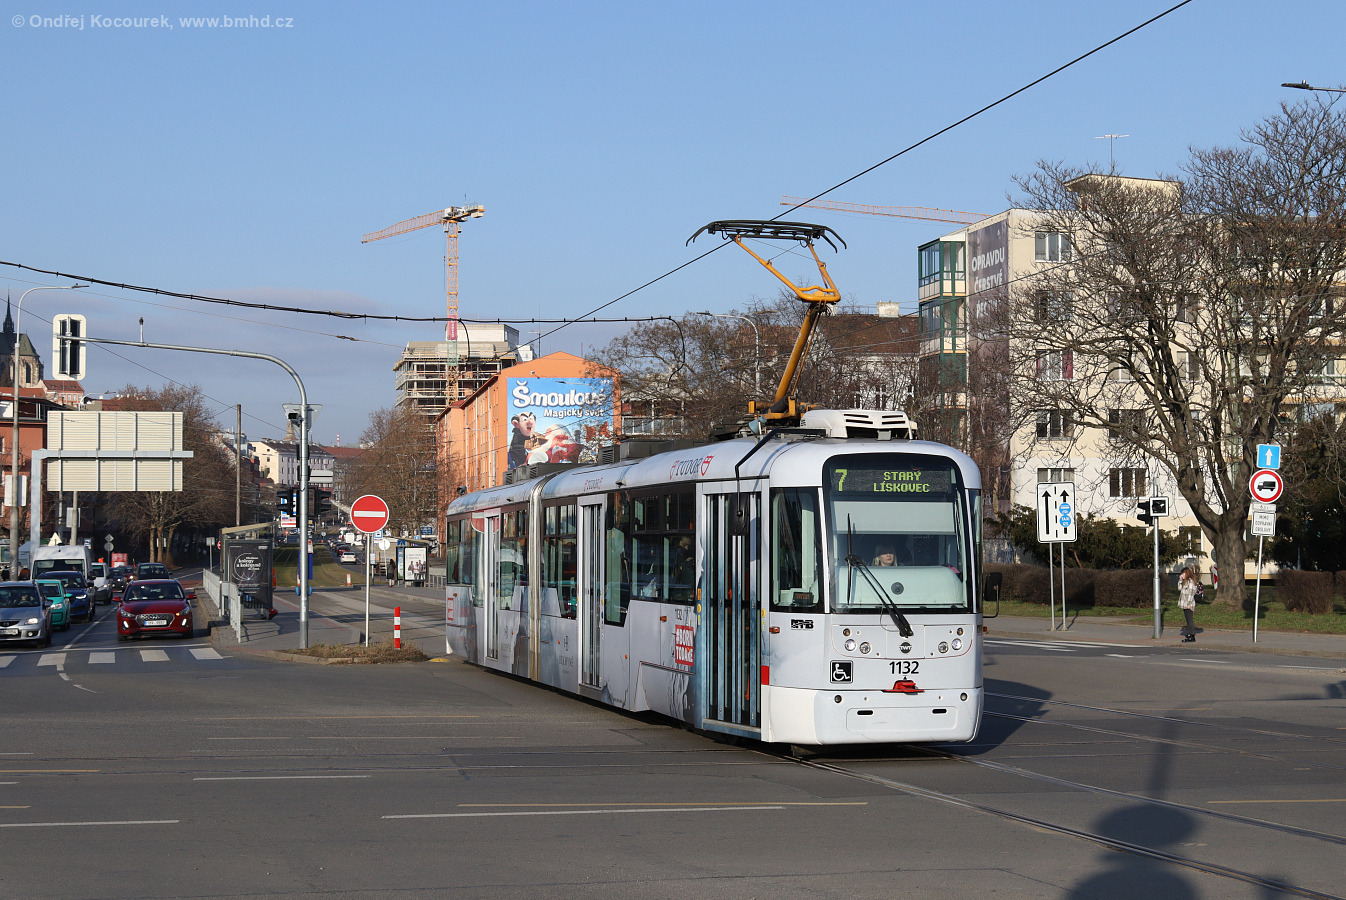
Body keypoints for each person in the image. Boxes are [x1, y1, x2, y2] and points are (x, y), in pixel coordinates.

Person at [1177, 566, 1199, 642]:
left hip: (1188, 604)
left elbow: (1191, 594)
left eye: (1183, 573)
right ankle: (1190, 633)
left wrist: (1189, 604)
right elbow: (1179, 588)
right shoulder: (1185, 582)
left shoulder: (1191, 582)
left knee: (1190, 620)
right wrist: (1180, 580)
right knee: (1187, 619)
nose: (1182, 575)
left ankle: (1192, 635)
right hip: (1184, 603)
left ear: (1186, 573)